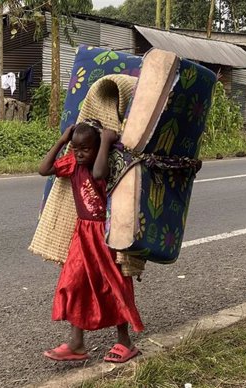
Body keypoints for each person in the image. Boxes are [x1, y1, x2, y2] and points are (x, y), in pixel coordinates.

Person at [38, 119, 144, 363]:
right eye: (76, 149)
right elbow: (44, 169)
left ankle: (125, 341)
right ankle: (76, 343)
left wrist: (106, 140)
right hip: (82, 233)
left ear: (97, 148)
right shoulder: (73, 163)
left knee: (114, 283)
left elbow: (98, 173)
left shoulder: (106, 162)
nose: (80, 153)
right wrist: (63, 141)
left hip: (106, 233)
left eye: (86, 148)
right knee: (74, 283)